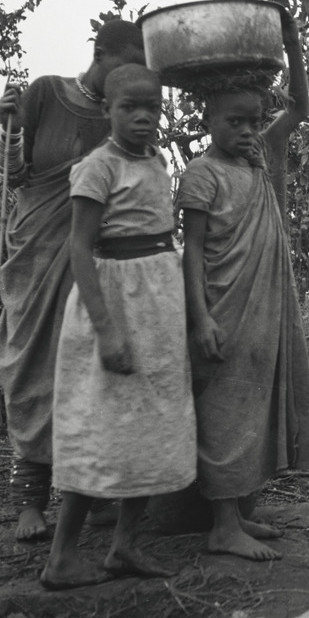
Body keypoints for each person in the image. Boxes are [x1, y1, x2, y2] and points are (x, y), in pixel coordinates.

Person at [178, 12, 309, 561]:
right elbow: (191, 252)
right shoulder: (202, 173)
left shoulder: (262, 156)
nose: (245, 130)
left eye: (253, 120)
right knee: (225, 406)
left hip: (267, 303)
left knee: (256, 400)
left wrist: (293, 45)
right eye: (234, 121)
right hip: (223, 305)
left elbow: (303, 108)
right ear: (209, 118)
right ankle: (222, 525)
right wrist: (200, 316)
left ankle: (241, 510)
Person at [41, 64, 197, 590]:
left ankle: (125, 546)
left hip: (158, 302)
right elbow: (79, 249)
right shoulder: (96, 167)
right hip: (113, 299)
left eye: (151, 107)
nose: (142, 117)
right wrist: (107, 330)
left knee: (153, 425)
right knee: (101, 427)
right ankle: (62, 556)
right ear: (107, 109)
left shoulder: (155, 161)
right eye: (129, 107)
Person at [0, 18, 147, 541]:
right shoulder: (45, 93)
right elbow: (11, 173)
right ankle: (29, 500)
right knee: (35, 366)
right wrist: (6, 127)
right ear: (100, 54)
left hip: (93, 258)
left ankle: (94, 490)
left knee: (85, 369)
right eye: (127, 66)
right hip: (37, 251)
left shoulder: (123, 116)